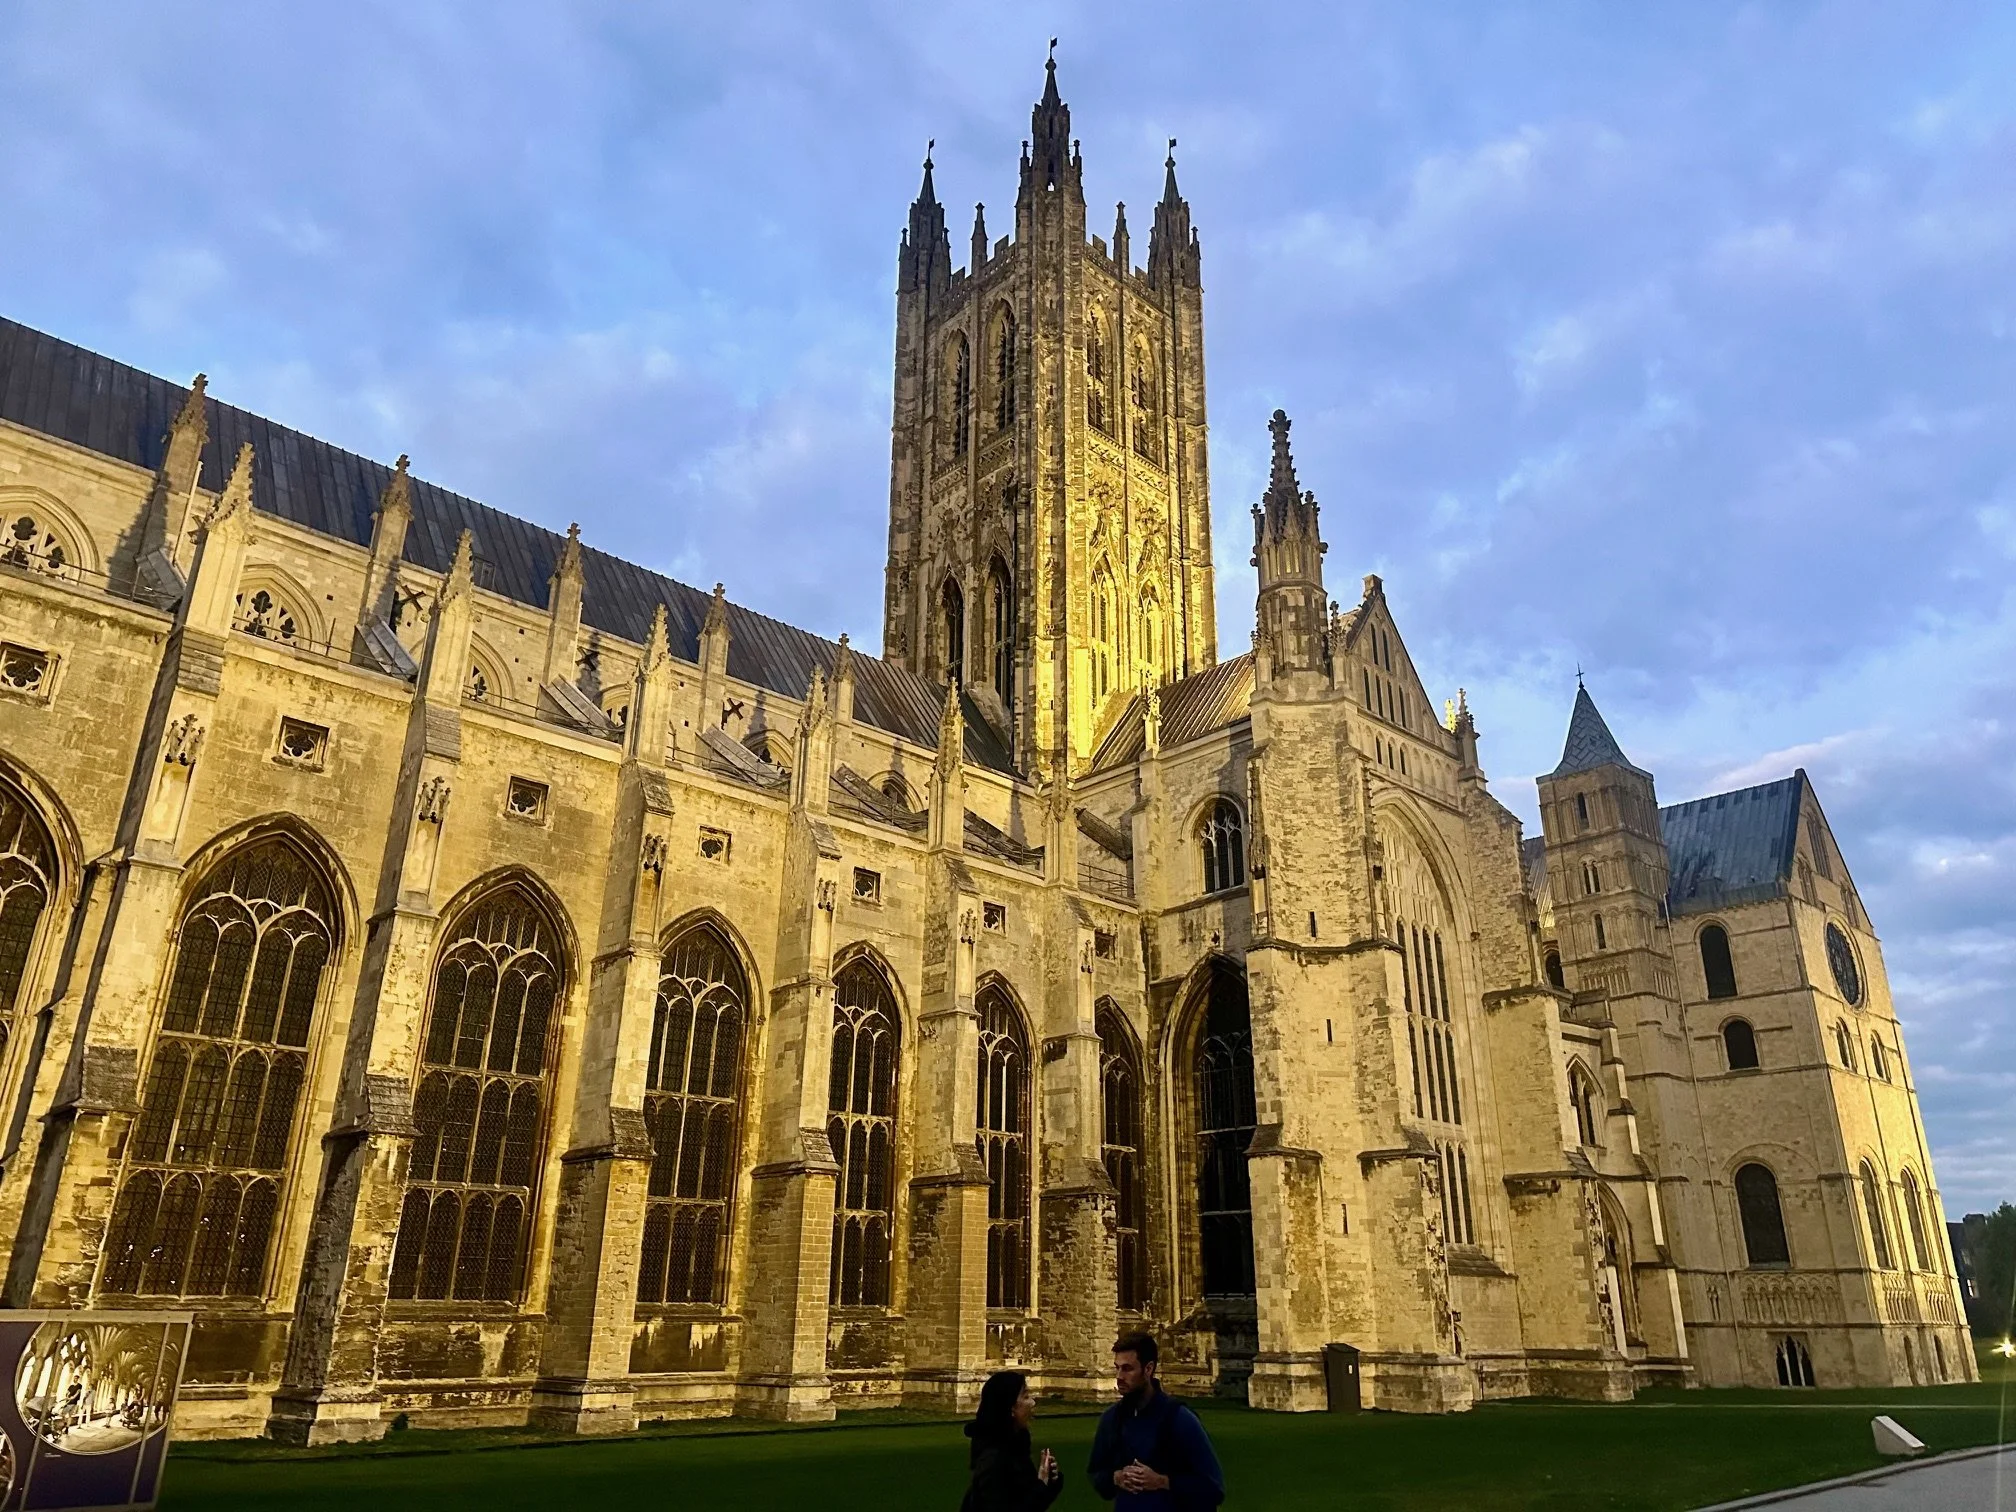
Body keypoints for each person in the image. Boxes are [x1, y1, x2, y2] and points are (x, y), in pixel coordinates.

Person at [1086, 1332, 1224, 1510]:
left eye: (1127, 1368)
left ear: (1148, 1369)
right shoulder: (1111, 1419)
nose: (1119, 1376)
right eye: (1117, 1368)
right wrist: (1117, 1477)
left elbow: (1213, 1489)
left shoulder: (1180, 1419)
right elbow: (1096, 1474)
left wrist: (1162, 1482)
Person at [961, 1369, 1065, 1512]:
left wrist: (1048, 1482)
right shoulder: (994, 1459)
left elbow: (1029, 1502)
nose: (1032, 1402)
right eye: (1026, 1396)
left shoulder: (1015, 1447)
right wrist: (1041, 1484)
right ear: (1011, 1408)